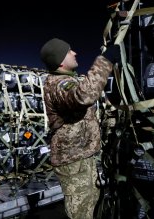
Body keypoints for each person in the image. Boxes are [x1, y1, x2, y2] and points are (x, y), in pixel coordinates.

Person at [40, 37, 120, 219]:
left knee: (91, 202)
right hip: (73, 161)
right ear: (60, 61)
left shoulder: (68, 81)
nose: (75, 53)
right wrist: (105, 61)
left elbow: (90, 88)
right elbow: (84, 95)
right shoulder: (58, 84)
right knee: (81, 211)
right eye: (69, 51)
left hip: (81, 157)